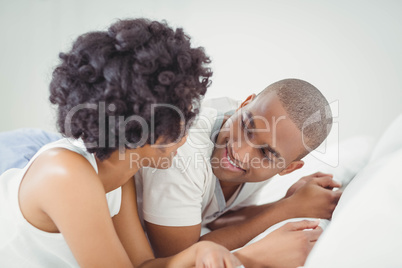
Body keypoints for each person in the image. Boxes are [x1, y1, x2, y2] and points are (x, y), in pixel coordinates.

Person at [0, 18, 243, 267]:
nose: (185, 131)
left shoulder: (119, 175)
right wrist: (254, 256)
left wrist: (199, 253)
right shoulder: (66, 174)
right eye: (176, 116)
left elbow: (142, 264)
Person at [135, 78, 342, 266]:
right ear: (243, 105)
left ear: (287, 168)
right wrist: (287, 210)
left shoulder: (268, 150)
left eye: (266, 153)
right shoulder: (184, 152)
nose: (240, 152)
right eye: (246, 126)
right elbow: (184, 256)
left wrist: (290, 201)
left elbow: (218, 219)